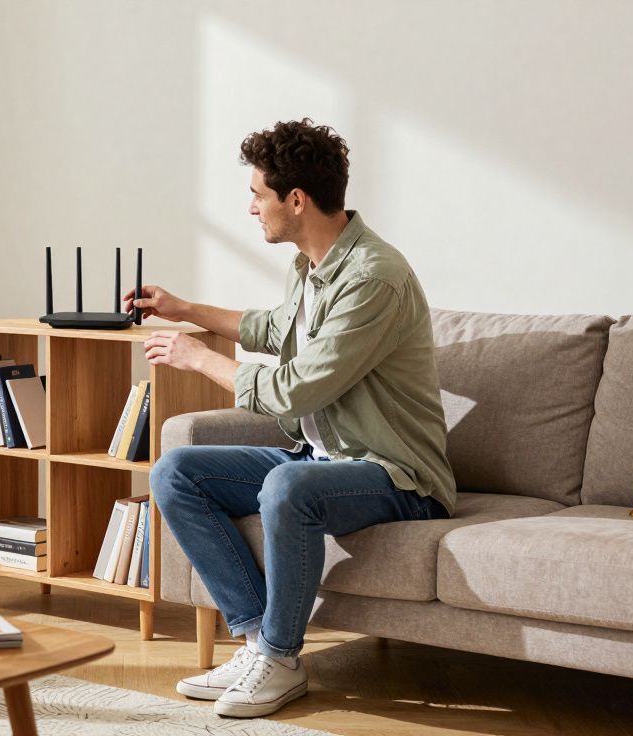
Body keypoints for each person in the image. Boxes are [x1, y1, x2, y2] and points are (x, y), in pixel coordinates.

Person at [126, 119, 456, 718]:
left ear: (295, 200)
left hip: (396, 474)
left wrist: (199, 359)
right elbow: (274, 330)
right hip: (322, 458)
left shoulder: (374, 277)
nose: (251, 208)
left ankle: (281, 657)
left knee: (286, 485)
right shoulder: (311, 264)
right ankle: (257, 642)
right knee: (176, 472)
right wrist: (184, 308)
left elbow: (296, 391)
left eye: (258, 194)